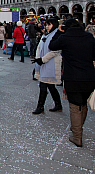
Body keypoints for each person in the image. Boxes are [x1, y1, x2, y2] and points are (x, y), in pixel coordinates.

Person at [49, 18, 95, 147]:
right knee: (83, 104)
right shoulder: (89, 36)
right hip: (89, 77)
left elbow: (52, 46)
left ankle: (77, 136)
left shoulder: (65, 37)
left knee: (75, 107)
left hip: (72, 78)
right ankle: (78, 127)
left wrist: (58, 32)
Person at [31, 18, 62, 114]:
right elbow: (40, 47)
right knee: (50, 86)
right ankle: (58, 104)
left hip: (51, 63)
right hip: (44, 64)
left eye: (49, 24)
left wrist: (43, 59)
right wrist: (38, 58)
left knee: (44, 85)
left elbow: (56, 51)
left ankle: (40, 107)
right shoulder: (46, 34)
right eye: (46, 25)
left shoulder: (57, 35)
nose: (47, 26)